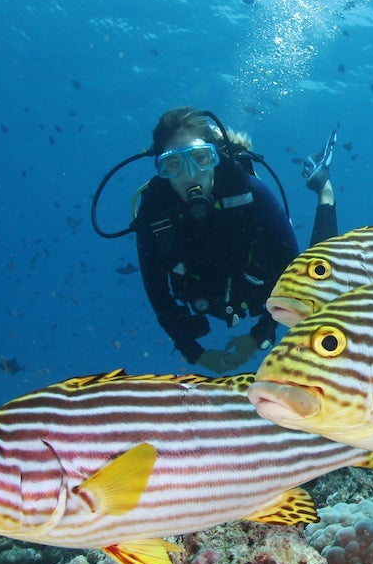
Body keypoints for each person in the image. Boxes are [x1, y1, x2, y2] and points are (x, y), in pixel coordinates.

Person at [131, 107, 337, 373]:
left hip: (259, 283)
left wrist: (261, 334)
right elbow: (156, 291)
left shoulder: (249, 191)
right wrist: (194, 353)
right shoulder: (154, 213)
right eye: (174, 163)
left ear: (214, 156)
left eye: (200, 157)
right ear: (161, 169)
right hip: (207, 294)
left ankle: (324, 186)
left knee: (319, 283)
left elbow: (296, 274)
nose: (190, 174)